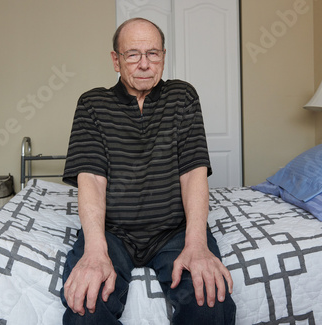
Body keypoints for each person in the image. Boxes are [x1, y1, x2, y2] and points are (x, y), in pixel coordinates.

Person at [60, 17, 236, 325]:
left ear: (164, 57)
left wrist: (196, 243)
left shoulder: (183, 97)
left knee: (211, 304)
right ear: (116, 60)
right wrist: (95, 250)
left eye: (153, 53)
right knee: (85, 310)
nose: (144, 64)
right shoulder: (92, 104)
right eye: (133, 54)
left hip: (174, 231)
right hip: (112, 232)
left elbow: (193, 173)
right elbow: (91, 180)